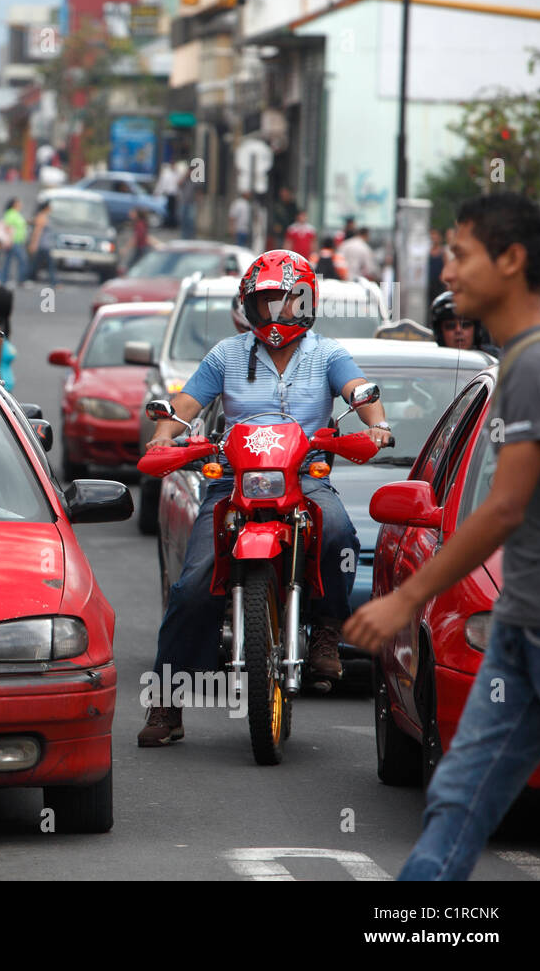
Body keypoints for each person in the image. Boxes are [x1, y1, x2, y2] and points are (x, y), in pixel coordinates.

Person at [343, 193, 540, 881]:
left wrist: (407, 601)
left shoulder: (536, 366)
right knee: (457, 804)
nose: (447, 270)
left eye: (460, 253)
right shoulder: (519, 361)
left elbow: (501, 509)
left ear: (512, 260)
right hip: (523, 627)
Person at [138, 249, 391, 746]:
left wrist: (376, 425)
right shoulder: (226, 355)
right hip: (234, 481)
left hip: (305, 477)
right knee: (192, 584)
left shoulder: (328, 353)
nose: (274, 315)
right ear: (249, 308)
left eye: (284, 304)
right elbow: (187, 404)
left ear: (304, 303)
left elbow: (359, 389)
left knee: (340, 531)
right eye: (264, 304)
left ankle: (325, 633)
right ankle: (166, 702)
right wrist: (165, 435)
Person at [430, 289, 498, 355]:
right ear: (439, 332)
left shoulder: (496, 360)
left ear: (476, 330)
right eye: (450, 326)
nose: (458, 330)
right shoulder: (430, 361)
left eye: (466, 325)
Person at [0, 198, 29, 287]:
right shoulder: (11, 213)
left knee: (7, 261)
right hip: (13, 241)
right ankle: (21, 280)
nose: (21, 204)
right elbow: (8, 227)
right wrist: (9, 240)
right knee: (22, 260)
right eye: (19, 203)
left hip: (17, 241)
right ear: (14, 204)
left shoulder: (16, 214)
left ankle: (3, 280)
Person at [26, 199, 56, 290]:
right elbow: (37, 232)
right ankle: (54, 282)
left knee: (36, 264)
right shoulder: (42, 217)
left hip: (44, 245)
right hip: (42, 245)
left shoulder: (44, 216)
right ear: (46, 207)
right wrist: (33, 244)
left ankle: (28, 278)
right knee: (48, 264)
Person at [270, 186, 297, 252]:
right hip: (280, 232)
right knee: (279, 249)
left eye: (285, 193)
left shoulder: (292, 205)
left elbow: (294, 217)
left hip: (290, 232)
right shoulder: (278, 205)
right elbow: (275, 217)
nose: (284, 195)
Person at [154, 161, 179, 228]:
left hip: (174, 195)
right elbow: (162, 184)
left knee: (173, 211)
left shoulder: (176, 174)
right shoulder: (167, 174)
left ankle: (172, 224)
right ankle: (168, 223)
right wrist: (158, 192)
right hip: (168, 194)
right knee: (168, 210)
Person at [427, 227, 447, 302]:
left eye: (435, 235)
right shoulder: (427, 252)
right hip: (429, 284)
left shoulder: (443, 252)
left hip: (439, 284)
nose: (433, 237)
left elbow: (446, 266)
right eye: (432, 234)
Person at [178, 163, 198, 239]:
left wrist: (198, 201)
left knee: (191, 221)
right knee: (183, 220)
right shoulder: (185, 179)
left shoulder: (195, 180)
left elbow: (198, 191)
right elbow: (179, 184)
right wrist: (185, 176)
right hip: (183, 202)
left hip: (192, 203)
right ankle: (184, 236)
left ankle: (191, 236)